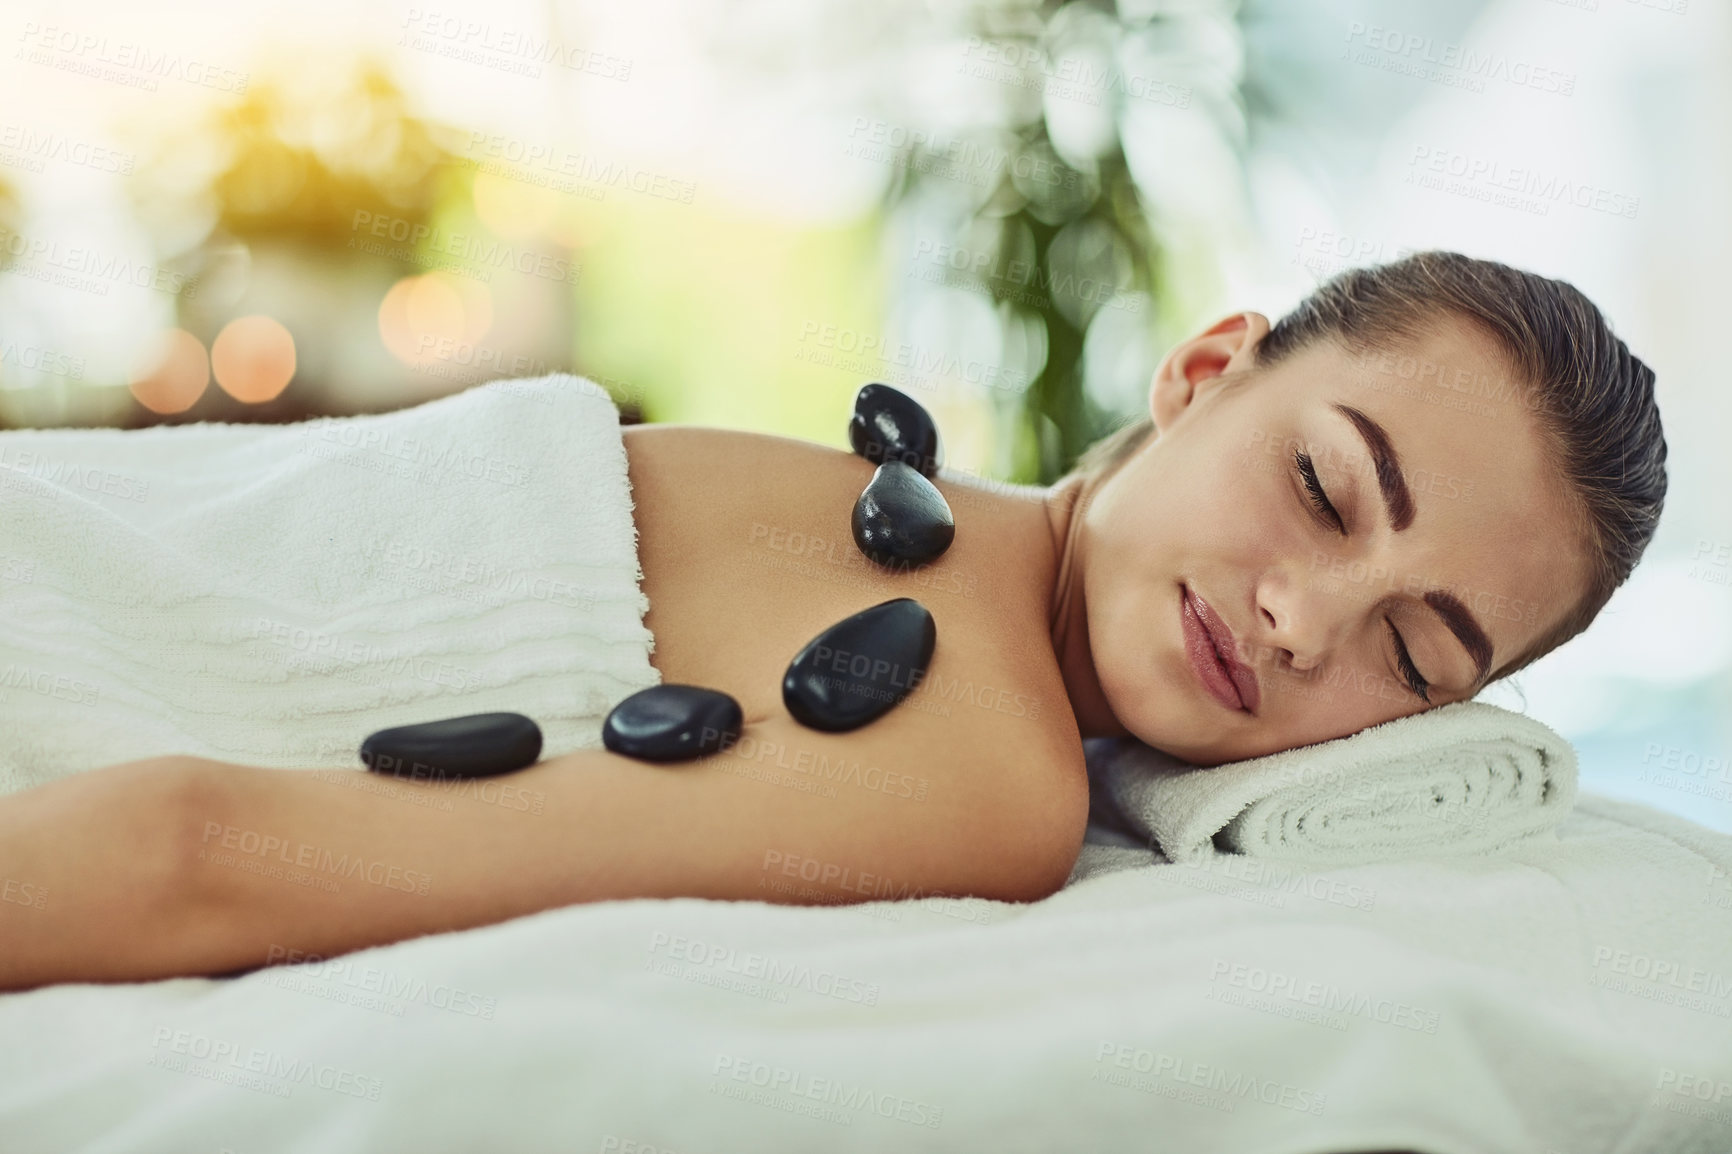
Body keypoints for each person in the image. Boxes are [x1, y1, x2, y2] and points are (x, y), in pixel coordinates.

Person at [0, 251, 1666, 989]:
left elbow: (231, 840)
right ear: (1207, 369)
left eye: (1416, 657)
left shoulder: (965, 680)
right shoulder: (982, 764)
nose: (1309, 621)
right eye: (1319, 484)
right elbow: (197, 845)